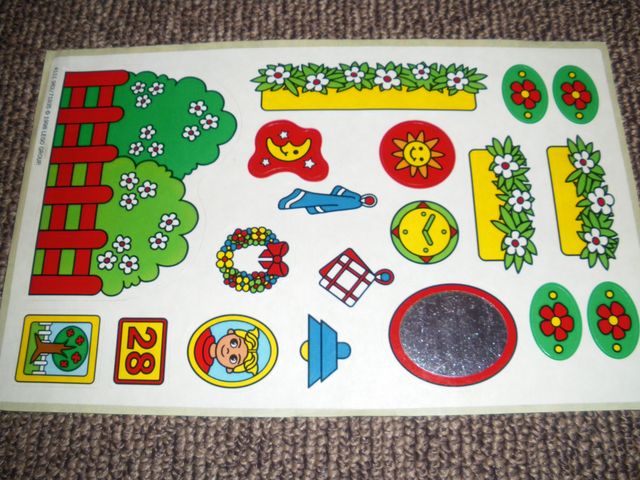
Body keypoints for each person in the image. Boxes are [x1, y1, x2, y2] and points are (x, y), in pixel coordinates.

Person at [194, 327, 259, 376]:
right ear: (231, 332)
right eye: (233, 343)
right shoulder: (204, 330)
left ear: (230, 369)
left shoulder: (202, 370)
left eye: (233, 358)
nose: (228, 350)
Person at [278, 185, 377, 214]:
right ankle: (300, 197)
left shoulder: (356, 204)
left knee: (318, 201)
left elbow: (340, 192)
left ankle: (299, 198)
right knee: (318, 199)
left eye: (367, 202)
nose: (364, 201)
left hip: (330, 203)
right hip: (332, 200)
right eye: (366, 199)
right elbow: (340, 190)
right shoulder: (356, 199)